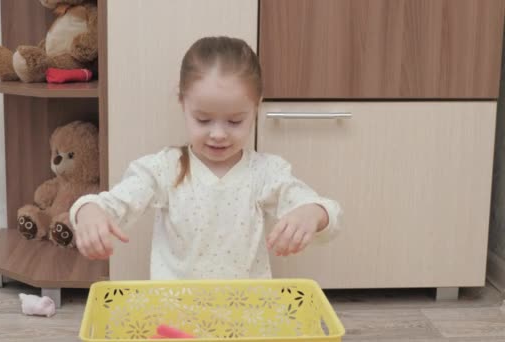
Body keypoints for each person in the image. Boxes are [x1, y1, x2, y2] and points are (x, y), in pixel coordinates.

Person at [69, 36, 342, 280]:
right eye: (203, 119)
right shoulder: (163, 169)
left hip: (244, 313)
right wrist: (89, 213)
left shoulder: (265, 172)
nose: (219, 134)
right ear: (183, 103)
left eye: (235, 121)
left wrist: (312, 214)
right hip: (177, 312)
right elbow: (110, 204)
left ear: (256, 106)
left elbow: (324, 210)